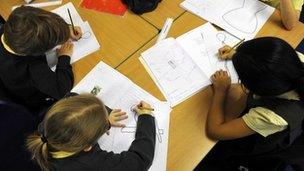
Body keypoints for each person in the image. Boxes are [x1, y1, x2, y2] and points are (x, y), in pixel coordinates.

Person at [196, 37, 304, 170]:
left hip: (257, 144)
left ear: (258, 89)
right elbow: (269, 62)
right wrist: (239, 55)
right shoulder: (294, 61)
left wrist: (220, 91)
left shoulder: (271, 116)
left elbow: (215, 131)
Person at [26, 94, 156, 171]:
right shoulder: (91, 163)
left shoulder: (47, 125)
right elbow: (140, 161)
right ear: (88, 147)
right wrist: (146, 117)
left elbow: (72, 96)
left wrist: (100, 115)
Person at [0, 6, 82, 113]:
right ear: (37, 53)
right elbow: (61, 88)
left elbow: (40, 24)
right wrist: (64, 57)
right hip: (33, 103)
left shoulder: (10, 28)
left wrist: (64, 30)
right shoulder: (31, 67)